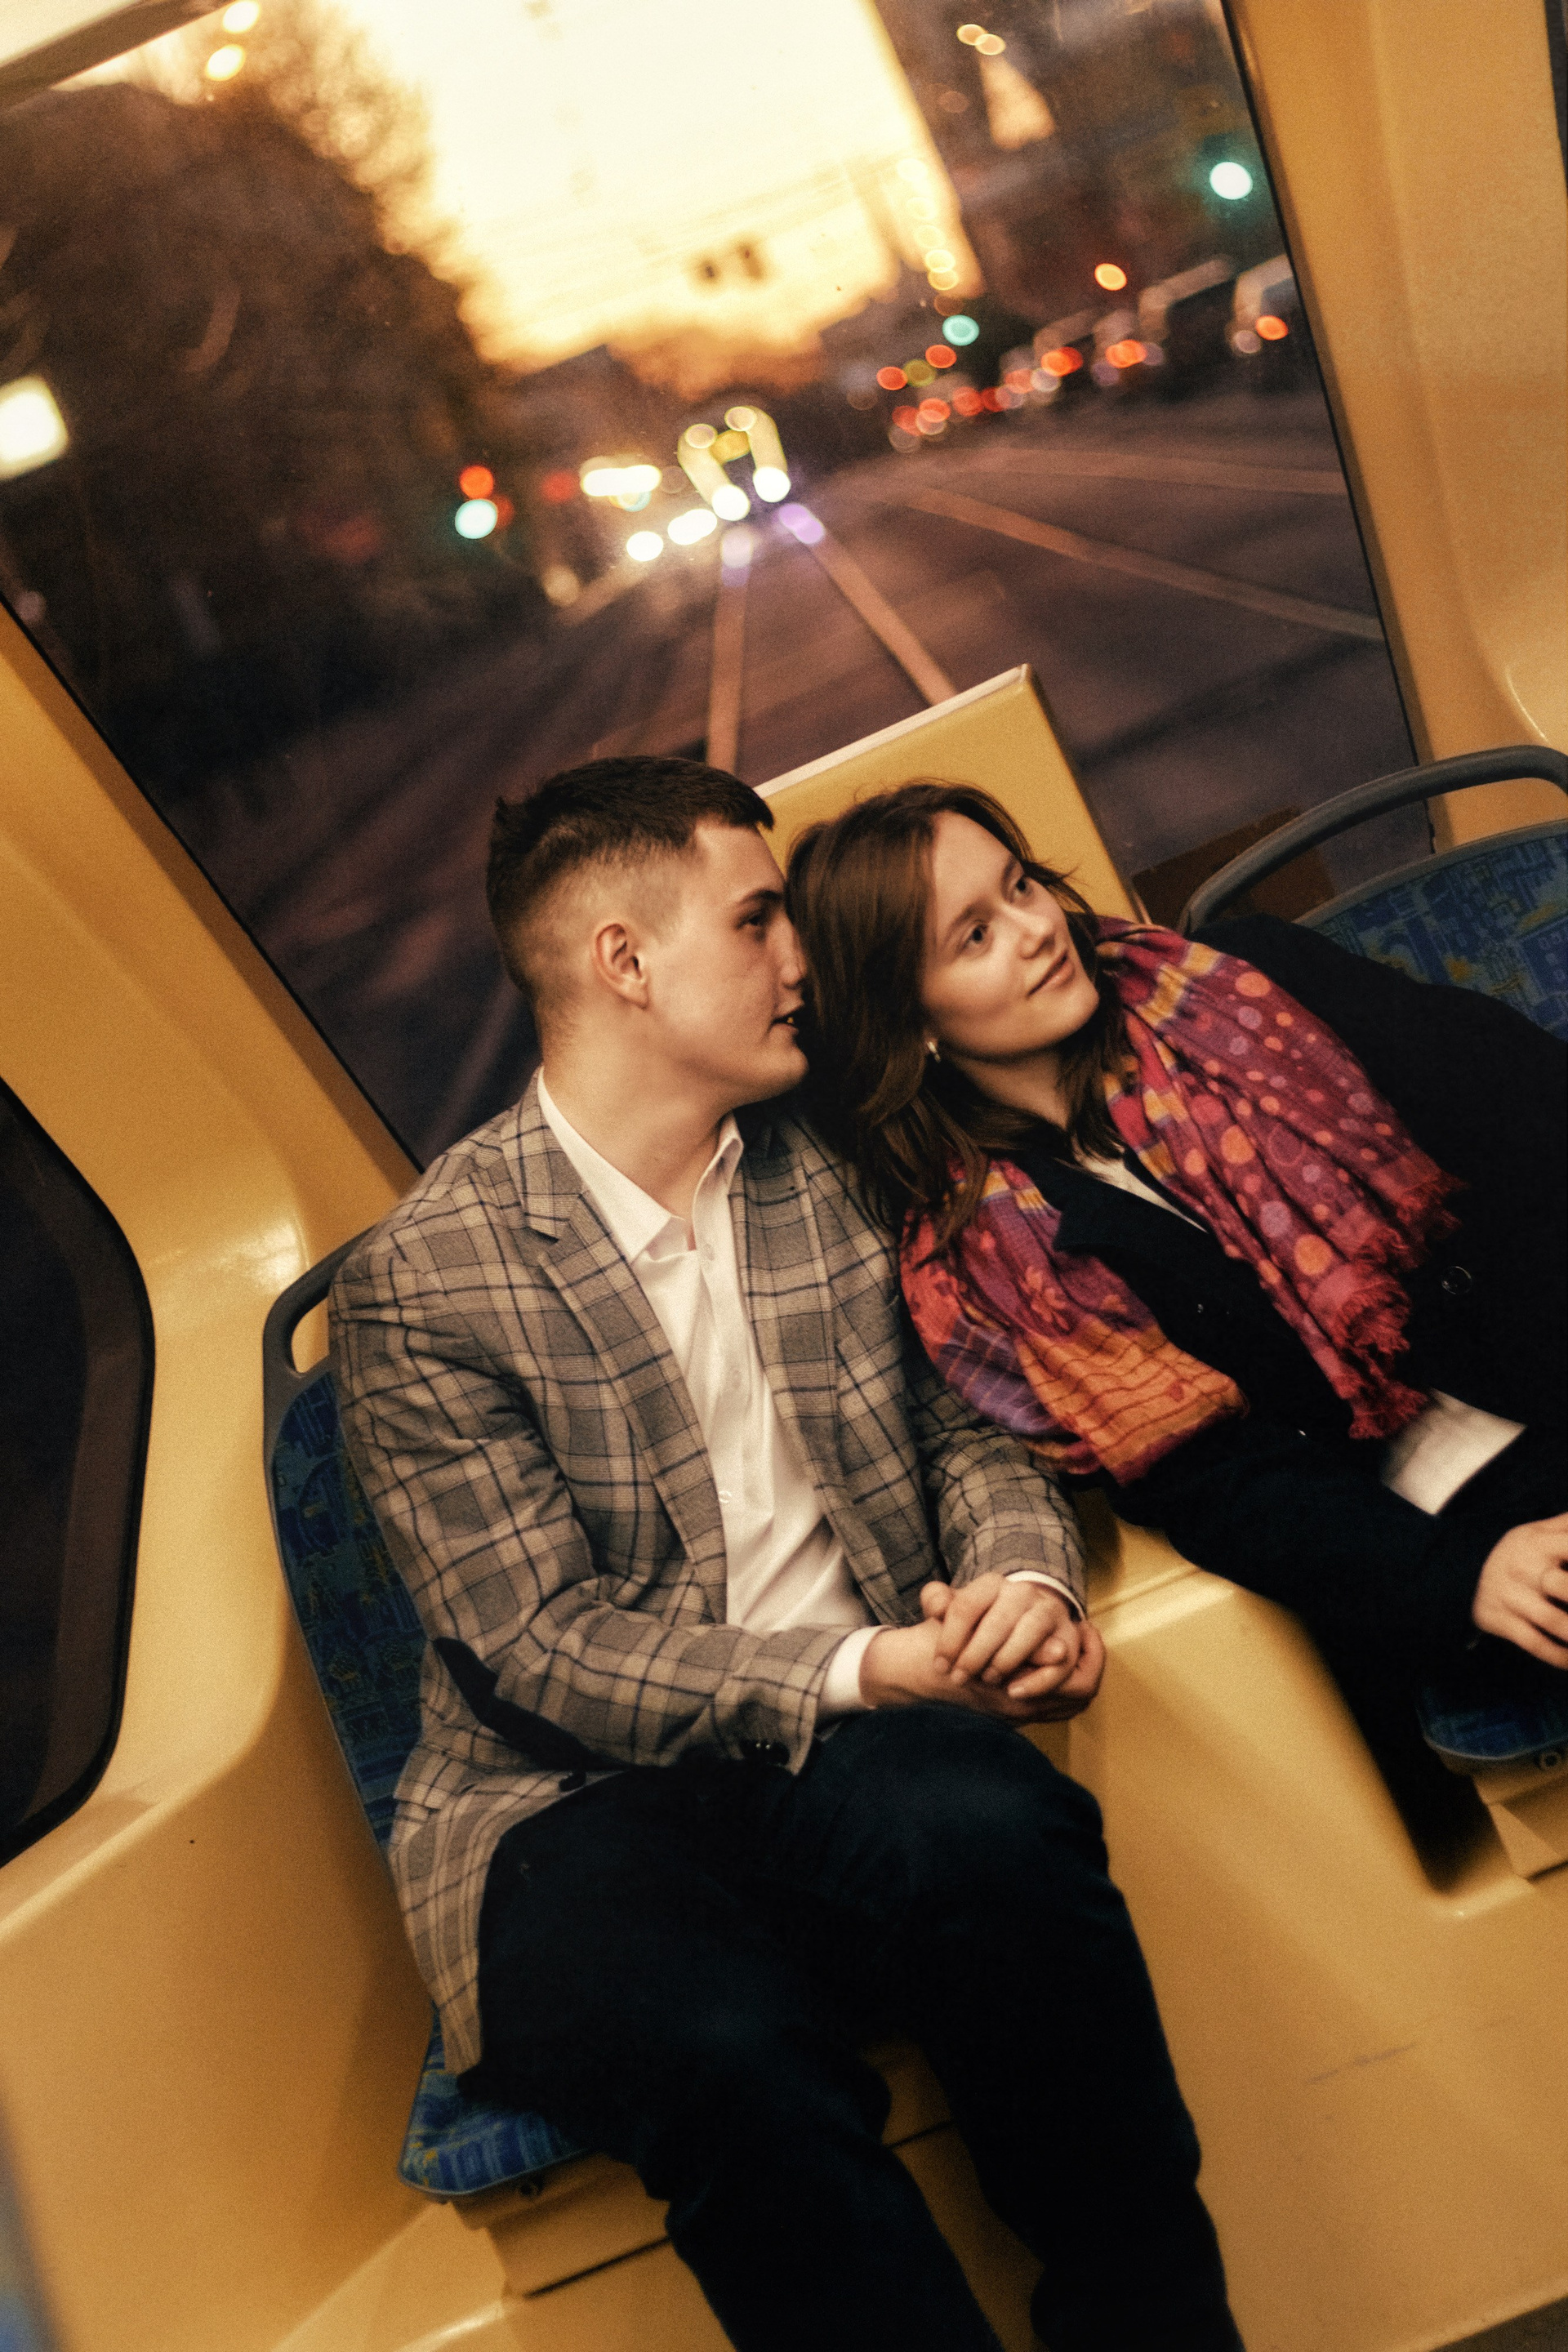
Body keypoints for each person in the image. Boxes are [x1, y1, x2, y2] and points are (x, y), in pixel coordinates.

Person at [332, 755, 1243, 2352]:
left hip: (859, 1748)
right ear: (625, 961)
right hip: (565, 1808)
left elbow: (971, 1427)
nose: (800, 954)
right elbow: (542, 1646)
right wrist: (869, 1666)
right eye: (757, 918)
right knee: (725, 2047)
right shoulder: (428, 1281)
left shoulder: (832, 1162)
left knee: (1005, 1846)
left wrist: (1020, 1582)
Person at [784, 779, 1567, 1806]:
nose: (1035, 929)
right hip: (1445, 1532)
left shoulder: (1242, 982)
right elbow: (1216, 1486)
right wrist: (1459, 1579)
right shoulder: (991, 1257)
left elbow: (1535, 1121)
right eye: (975, 936)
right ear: (909, 1022)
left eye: (1020, 886)